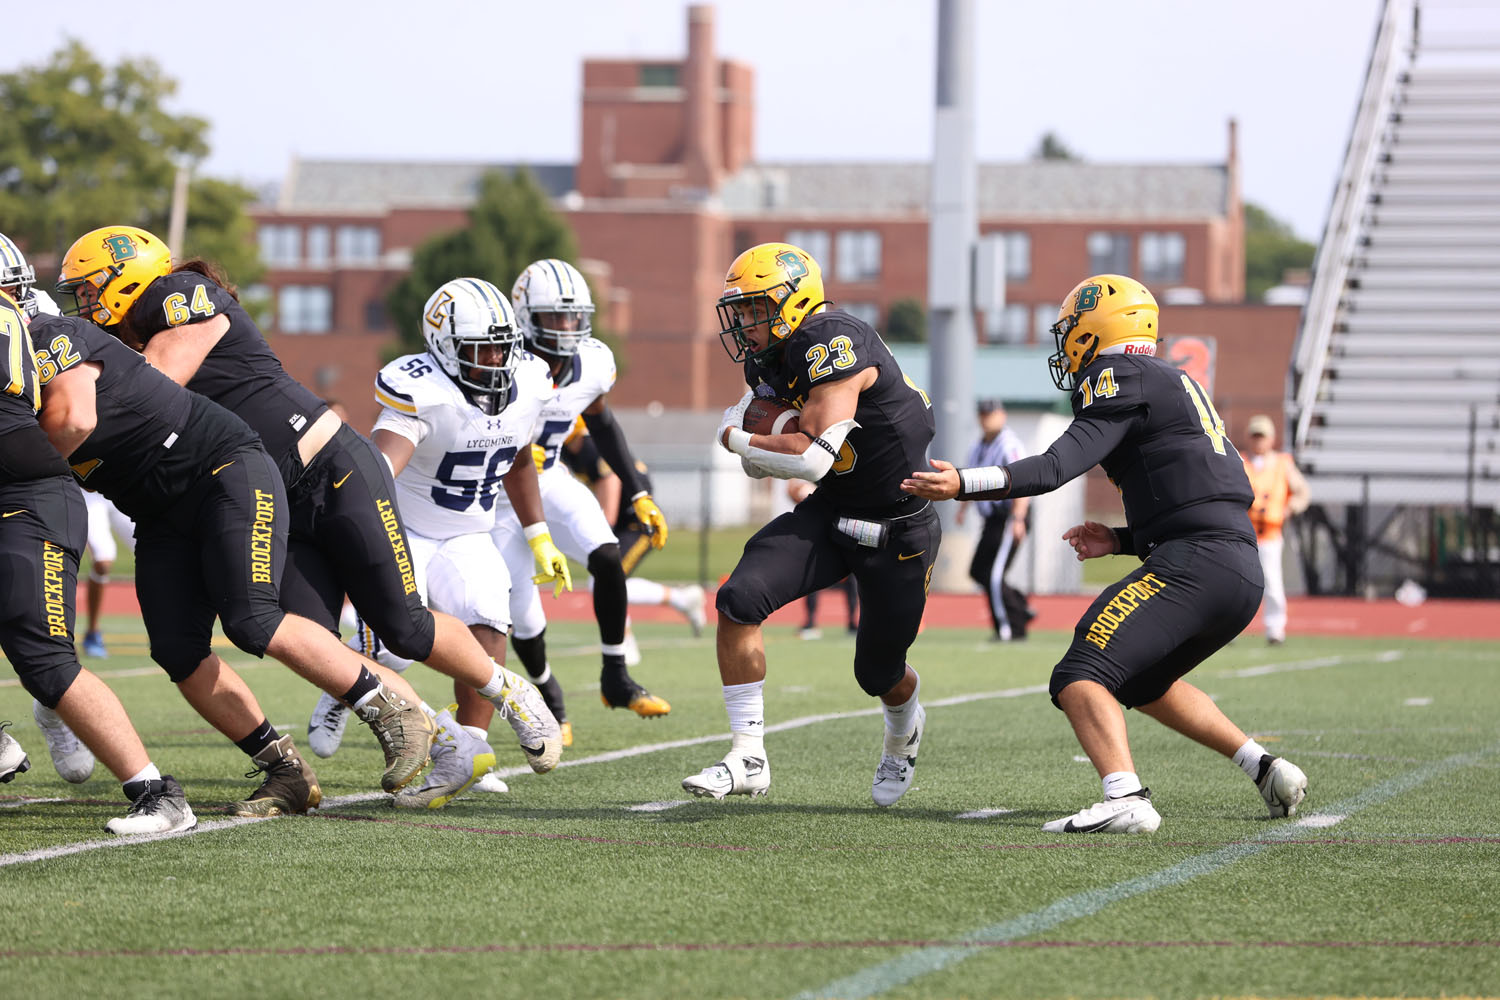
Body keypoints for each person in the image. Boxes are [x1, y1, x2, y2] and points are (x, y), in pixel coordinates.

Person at [56, 226, 565, 784]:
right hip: (271, 491)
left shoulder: (176, 295)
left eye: (88, 289)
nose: (82, 304)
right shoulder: (129, 335)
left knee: (405, 626)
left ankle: (508, 690)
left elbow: (156, 385)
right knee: (309, 637)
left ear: (127, 277)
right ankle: (442, 739)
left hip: (330, 466)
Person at [902, 274, 1309, 833]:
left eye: (1071, 329)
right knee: (1140, 682)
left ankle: (1126, 797)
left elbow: (1052, 469)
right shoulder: (1172, 379)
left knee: (1081, 671)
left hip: (1197, 561)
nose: (1066, 342)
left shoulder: (1120, 376)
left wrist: (963, 483)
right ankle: (1264, 767)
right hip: (1237, 567)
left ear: (1099, 329)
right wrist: (1120, 540)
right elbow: (1199, 492)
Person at [684, 242, 939, 807]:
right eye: (740, 311)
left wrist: (736, 436)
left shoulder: (833, 341)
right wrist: (756, 441)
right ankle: (748, 755)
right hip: (832, 510)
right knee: (738, 599)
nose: (744, 323)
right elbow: (763, 463)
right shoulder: (767, 357)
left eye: (754, 309)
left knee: (878, 672)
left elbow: (809, 457)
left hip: (899, 524)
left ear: (793, 303)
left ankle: (904, 728)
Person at [307, 278, 567, 808]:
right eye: (480, 349)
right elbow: (381, 466)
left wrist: (538, 534)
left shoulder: (531, 383)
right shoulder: (423, 392)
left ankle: (469, 748)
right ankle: (340, 686)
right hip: (404, 527)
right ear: (444, 350)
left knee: (489, 622)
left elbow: (519, 458)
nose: (496, 358)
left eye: (503, 345)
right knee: (391, 648)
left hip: (468, 529)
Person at [0, 282, 194, 833]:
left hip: (26, 499)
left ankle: (159, 795)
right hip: (17, 492)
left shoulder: (8, 318)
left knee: (46, 658)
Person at [477, 258, 672, 748]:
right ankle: (549, 695)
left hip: (552, 479)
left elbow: (603, 423)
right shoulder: (505, 361)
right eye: (554, 317)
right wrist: (506, 441)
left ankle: (616, 676)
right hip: (499, 497)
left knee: (608, 557)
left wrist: (639, 492)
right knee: (522, 615)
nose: (566, 328)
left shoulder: (593, 361)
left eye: (572, 316)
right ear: (525, 317)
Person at [560, 424, 708, 656]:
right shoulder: (568, 450)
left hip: (638, 523)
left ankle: (623, 642)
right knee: (607, 579)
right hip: (622, 524)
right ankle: (682, 599)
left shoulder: (592, 447)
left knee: (605, 578)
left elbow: (608, 512)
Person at [959, 400, 1033, 641]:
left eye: (991, 414)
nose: (986, 419)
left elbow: (1022, 483)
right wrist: (963, 509)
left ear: (1002, 415)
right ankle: (1020, 607)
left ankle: (1010, 629)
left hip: (1009, 516)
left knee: (992, 575)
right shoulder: (977, 447)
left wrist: (1018, 519)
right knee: (978, 570)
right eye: (982, 414)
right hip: (991, 521)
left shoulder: (1008, 445)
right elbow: (972, 479)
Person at [1241, 414, 1310, 645]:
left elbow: (1302, 492)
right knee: (1238, 581)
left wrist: (1289, 509)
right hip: (1244, 533)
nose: (1259, 441)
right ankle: (1232, 628)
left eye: (1262, 436)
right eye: (1255, 436)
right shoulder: (1240, 461)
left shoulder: (1283, 463)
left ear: (1271, 439)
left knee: (1272, 581)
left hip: (1270, 534)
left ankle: (1275, 629)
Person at [786, 478, 859, 639]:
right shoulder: (817, 470)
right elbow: (798, 489)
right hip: (820, 531)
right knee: (812, 576)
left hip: (844, 527)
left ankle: (853, 622)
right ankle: (811, 621)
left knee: (852, 577)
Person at [77, 491, 134, 659]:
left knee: (155, 549)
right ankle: (93, 633)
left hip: (119, 486)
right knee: (103, 560)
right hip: (90, 491)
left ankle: (165, 627)